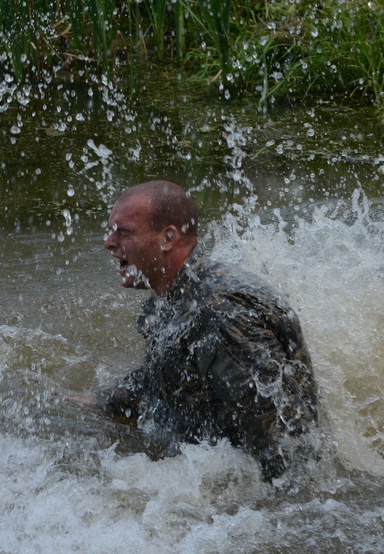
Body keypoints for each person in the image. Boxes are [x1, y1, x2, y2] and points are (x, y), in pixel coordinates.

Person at [87, 179, 319, 481]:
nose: (108, 242)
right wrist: (97, 402)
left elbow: (283, 441)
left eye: (124, 232)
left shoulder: (218, 313)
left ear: (168, 237)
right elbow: (164, 379)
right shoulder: (173, 296)